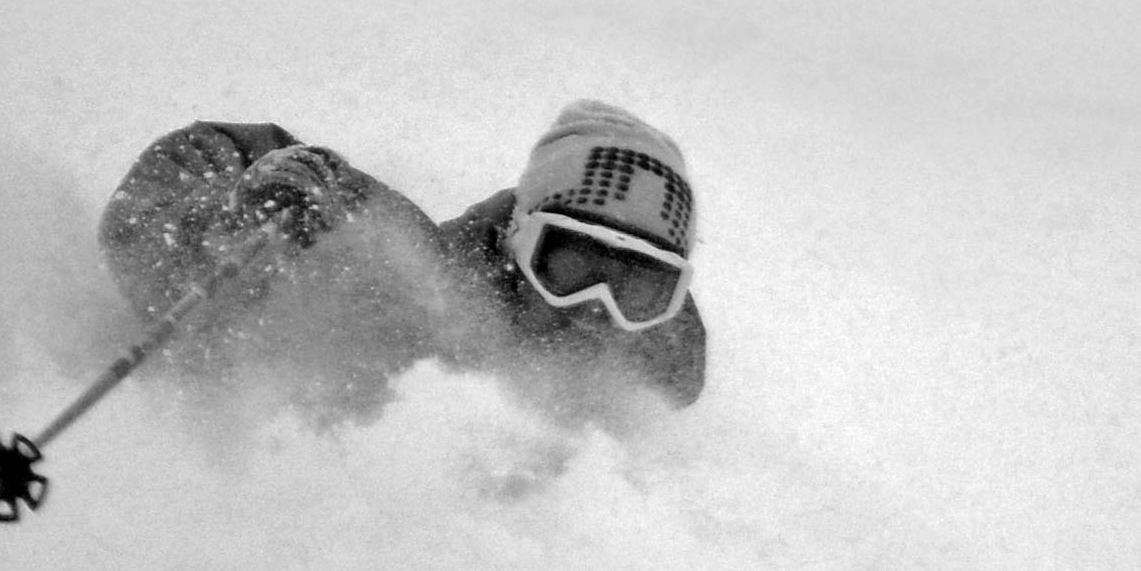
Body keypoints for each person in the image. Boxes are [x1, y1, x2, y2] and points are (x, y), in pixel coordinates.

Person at [96, 98, 706, 420]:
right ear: (517, 239)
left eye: (639, 291)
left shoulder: (655, 371)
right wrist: (236, 218)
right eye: (569, 267)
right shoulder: (404, 281)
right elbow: (146, 230)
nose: (593, 310)